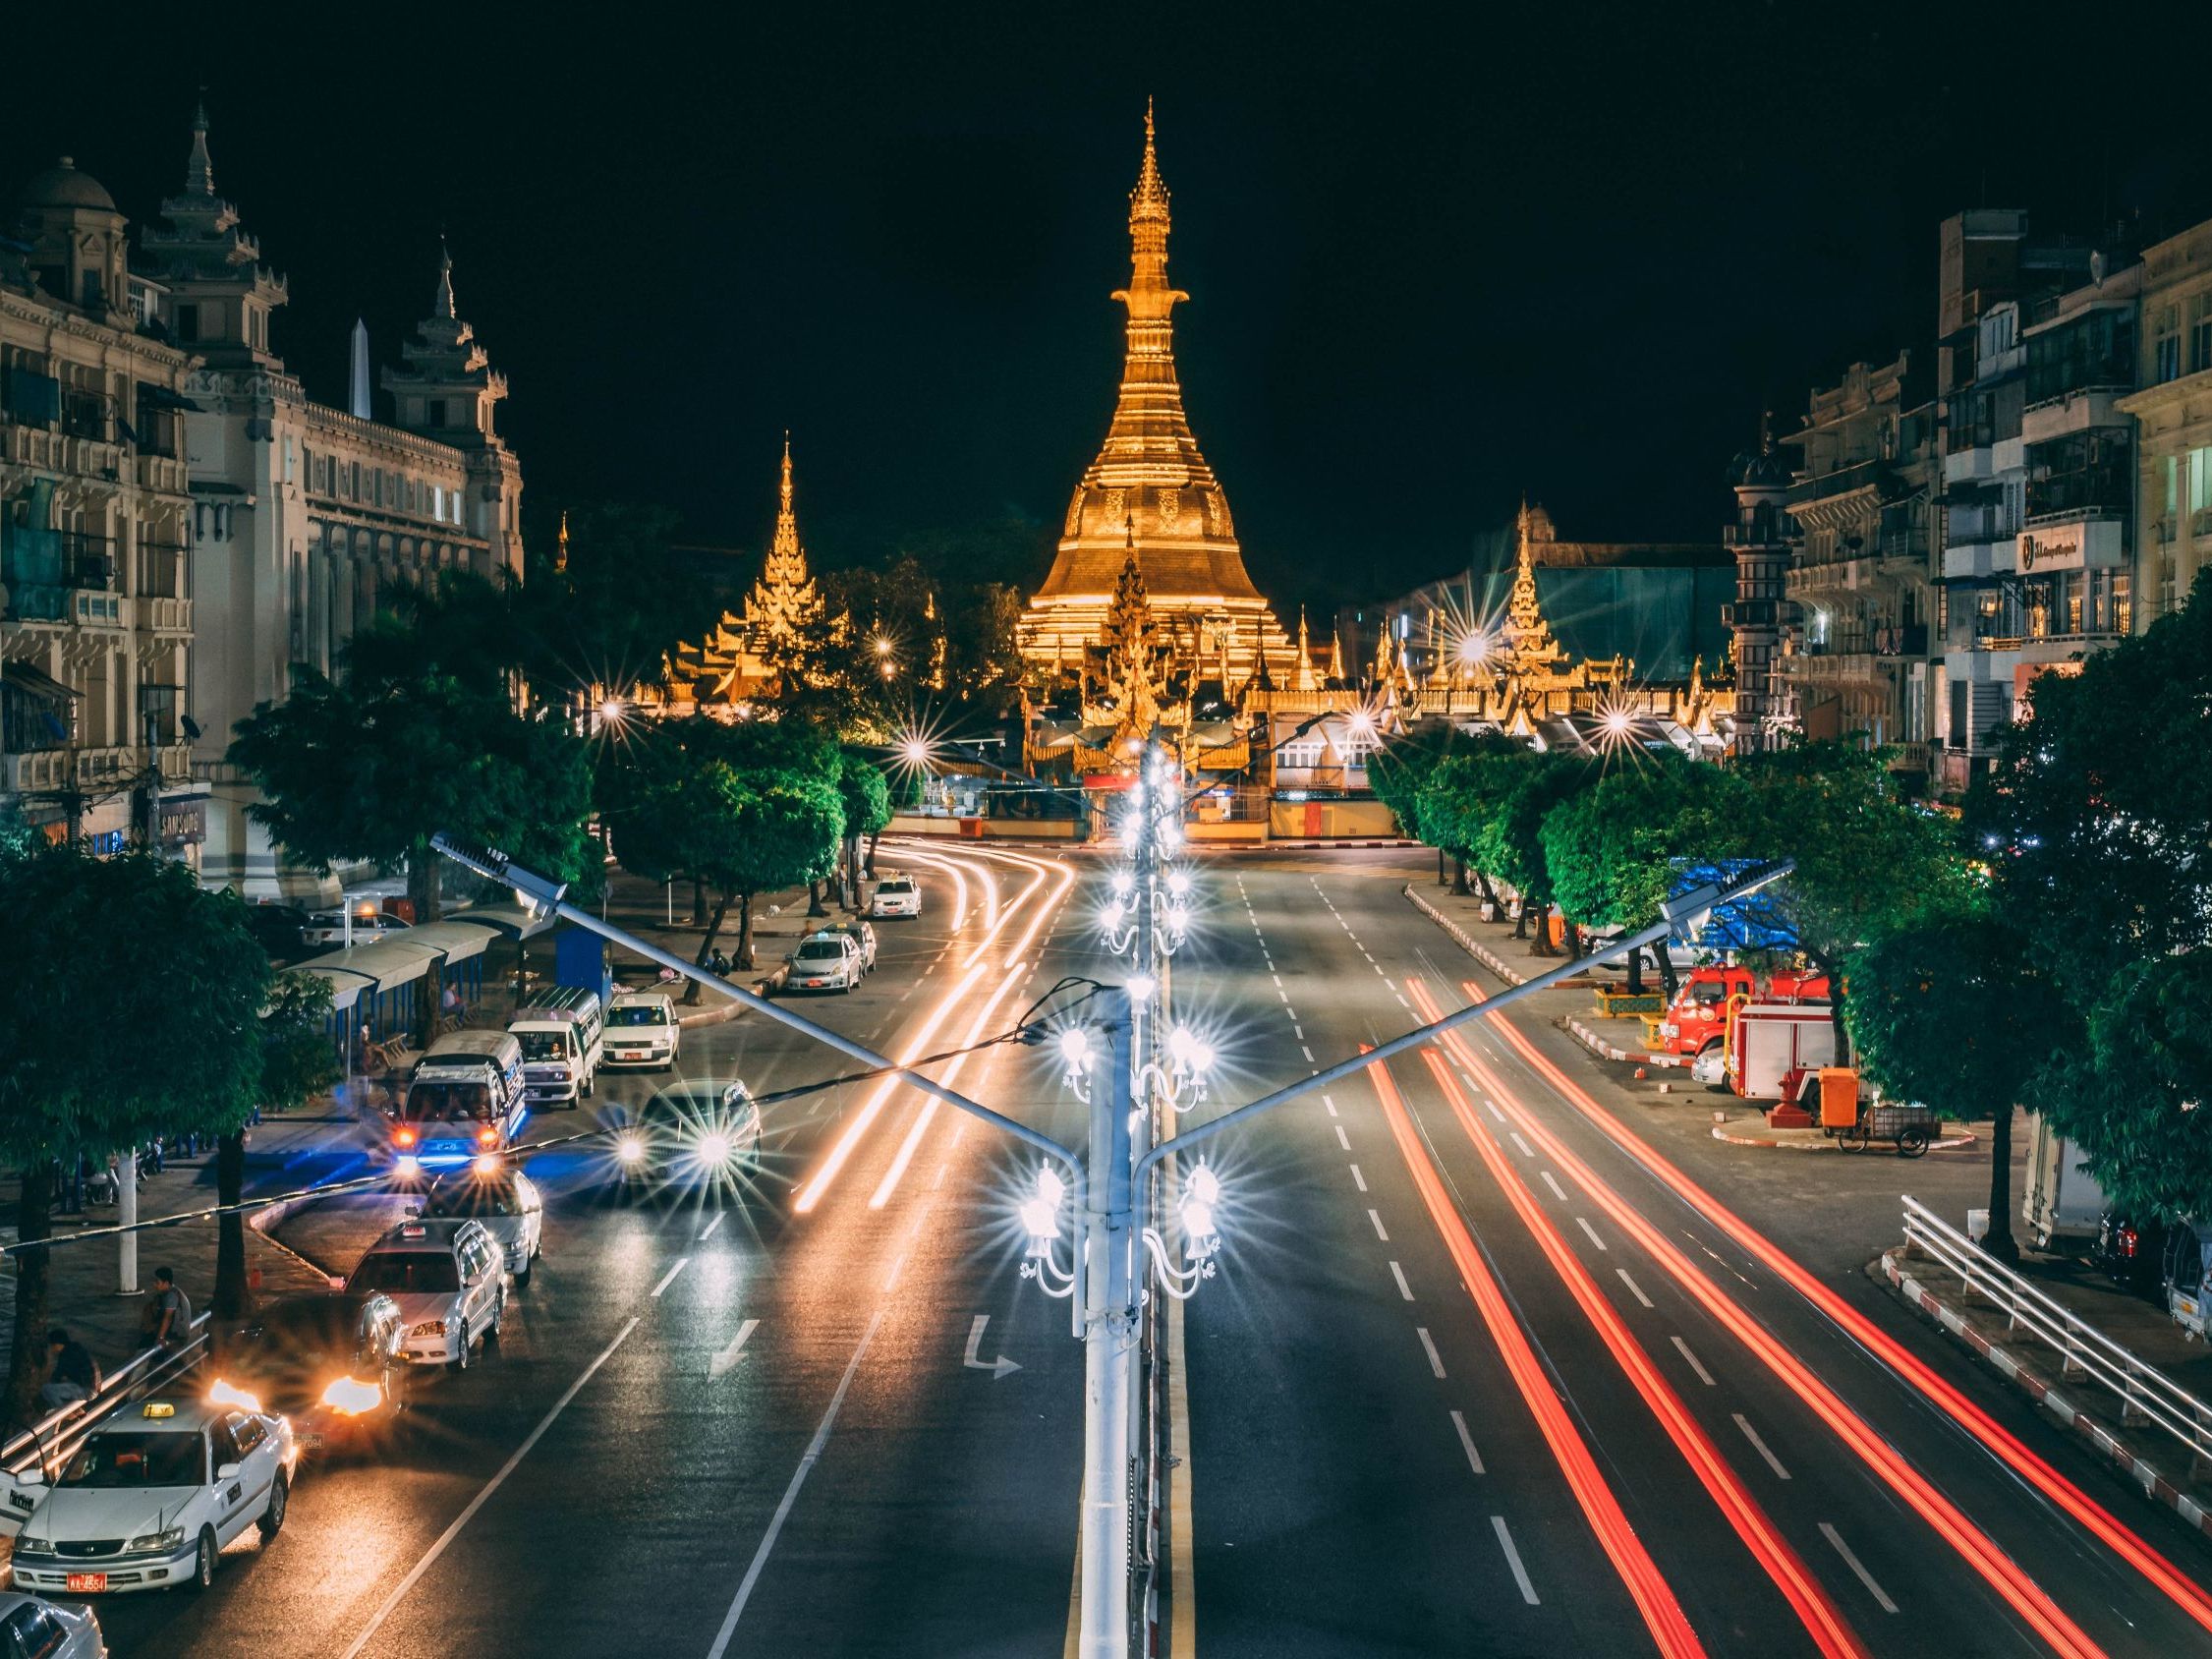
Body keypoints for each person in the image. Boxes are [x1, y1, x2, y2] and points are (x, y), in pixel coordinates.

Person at [40, 1328, 99, 1411]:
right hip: (92, 1387)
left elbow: (57, 1375)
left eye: (51, 1345)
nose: (51, 1348)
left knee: (47, 1389)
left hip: (87, 1390)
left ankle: (64, 1413)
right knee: (61, 1386)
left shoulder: (66, 1355)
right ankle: (77, 1411)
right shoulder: (75, 1348)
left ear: (57, 1344)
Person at [148, 1266, 193, 1353]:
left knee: (151, 1344)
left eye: (157, 1282)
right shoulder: (171, 1291)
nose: (154, 1284)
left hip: (178, 1336)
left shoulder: (171, 1296)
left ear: (166, 1283)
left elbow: (168, 1318)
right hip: (177, 1332)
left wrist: (160, 1337)